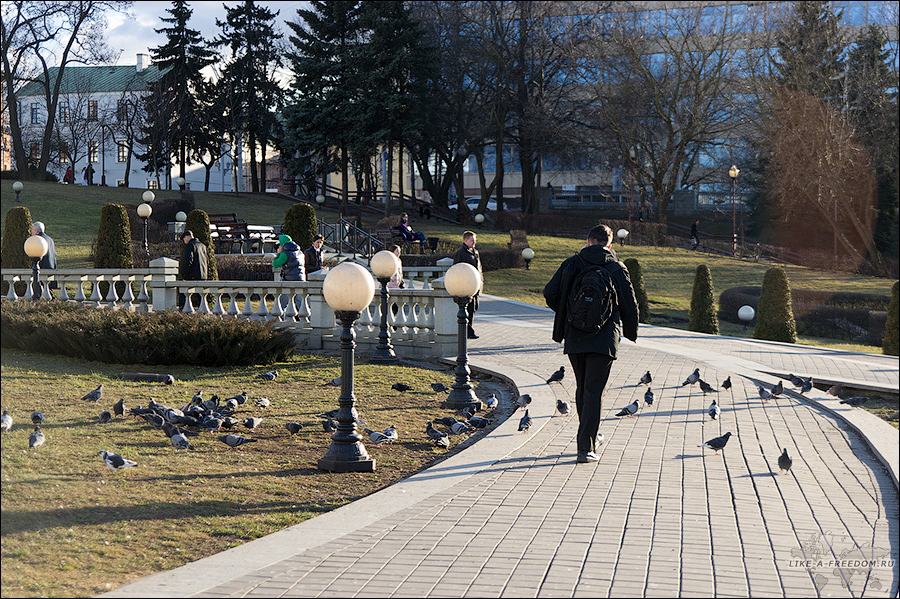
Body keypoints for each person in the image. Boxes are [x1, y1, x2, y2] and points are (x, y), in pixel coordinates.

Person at [543, 224, 639, 464]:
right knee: (594, 390)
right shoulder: (616, 267)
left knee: (582, 387)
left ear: (588, 242)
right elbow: (630, 303)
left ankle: (587, 436)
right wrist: (629, 331)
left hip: (575, 335)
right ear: (609, 244)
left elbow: (549, 292)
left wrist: (569, 315)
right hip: (604, 338)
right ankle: (586, 446)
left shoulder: (572, 264)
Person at [451, 230, 482, 339]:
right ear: (465, 240)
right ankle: (467, 331)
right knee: (467, 309)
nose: (474, 242)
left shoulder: (475, 252)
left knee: (474, 307)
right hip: (466, 286)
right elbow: (457, 269)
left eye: (475, 240)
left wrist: (480, 283)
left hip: (476, 286)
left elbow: (479, 269)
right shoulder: (460, 253)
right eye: (472, 240)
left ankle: (469, 329)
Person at [272, 234, 305, 310]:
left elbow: (275, 264)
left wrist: (278, 254)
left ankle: (279, 319)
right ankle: (309, 320)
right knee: (301, 303)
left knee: (282, 302)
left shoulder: (285, 254)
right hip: (301, 280)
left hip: (289, 280)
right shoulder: (300, 252)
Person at [178, 230, 208, 309]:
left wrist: (184, 275)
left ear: (187, 237)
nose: (184, 242)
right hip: (203, 275)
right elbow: (207, 260)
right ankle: (203, 311)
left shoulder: (189, 246)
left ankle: (182, 310)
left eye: (184, 239)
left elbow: (188, 261)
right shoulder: (203, 246)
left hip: (192, 275)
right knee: (201, 296)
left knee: (183, 292)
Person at [31, 221, 58, 296]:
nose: (31, 232)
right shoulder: (49, 239)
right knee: (48, 293)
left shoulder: (38, 240)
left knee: (40, 293)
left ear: (36, 231)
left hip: (42, 269)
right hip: (51, 268)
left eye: (32, 230)